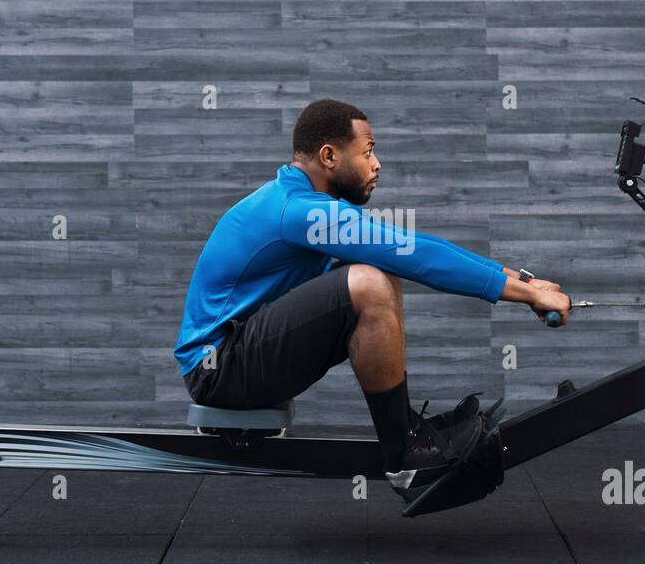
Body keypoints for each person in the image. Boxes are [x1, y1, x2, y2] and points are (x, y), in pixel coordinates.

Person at [174, 99, 571, 492]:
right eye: (367, 152)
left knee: (379, 270)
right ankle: (405, 457)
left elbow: (410, 245)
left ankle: (405, 432)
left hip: (239, 356)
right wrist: (527, 296)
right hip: (218, 370)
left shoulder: (305, 204)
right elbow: (418, 255)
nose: (376, 164)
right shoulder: (297, 211)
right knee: (367, 283)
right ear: (329, 156)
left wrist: (524, 281)